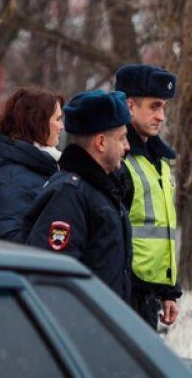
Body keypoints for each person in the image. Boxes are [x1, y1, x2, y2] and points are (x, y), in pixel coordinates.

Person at [23, 90, 133, 301]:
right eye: (122, 138)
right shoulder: (69, 195)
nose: (127, 147)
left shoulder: (102, 190)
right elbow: (54, 280)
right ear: (100, 142)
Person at [113, 64, 182, 329]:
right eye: (154, 107)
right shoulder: (118, 159)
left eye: (163, 107)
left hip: (148, 296)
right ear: (130, 106)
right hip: (124, 293)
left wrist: (168, 290)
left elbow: (161, 232)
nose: (161, 116)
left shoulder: (159, 161)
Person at [0, 87, 64, 241]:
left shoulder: (40, 166)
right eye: (57, 119)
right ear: (37, 122)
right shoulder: (10, 178)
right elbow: (9, 244)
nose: (61, 126)